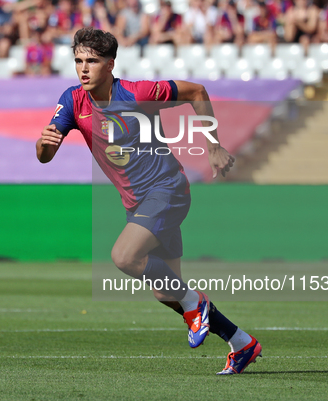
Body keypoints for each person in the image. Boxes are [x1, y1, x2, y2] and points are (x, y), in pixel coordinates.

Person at [36, 27, 262, 375]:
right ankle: (241, 342)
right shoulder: (72, 100)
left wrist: (212, 144)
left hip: (168, 190)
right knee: (165, 293)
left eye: (92, 61)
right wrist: (44, 142)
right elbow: (45, 156)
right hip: (137, 203)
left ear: (110, 64)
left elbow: (196, 91)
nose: (83, 68)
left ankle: (195, 305)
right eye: (79, 60)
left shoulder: (138, 92)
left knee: (124, 256)